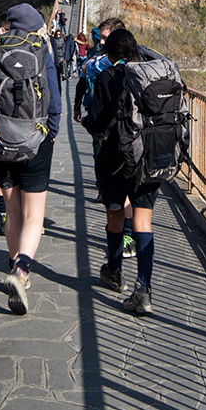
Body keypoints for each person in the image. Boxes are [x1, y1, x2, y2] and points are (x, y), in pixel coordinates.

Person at [0, 2, 61, 314]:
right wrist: (51, 132)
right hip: (36, 141)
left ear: (9, 26)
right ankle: (22, 271)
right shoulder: (42, 53)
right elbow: (54, 99)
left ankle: (14, 265)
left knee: (12, 210)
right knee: (34, 214)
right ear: (36, 27)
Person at [80, 25, 162, 315]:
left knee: (115, 216)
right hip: (150, 160)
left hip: (116, 160)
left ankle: (114, 272)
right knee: (143, 222)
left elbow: (99, 123)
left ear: (107, 52)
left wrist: (86, 122)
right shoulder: (152, 73)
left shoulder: (107, 76)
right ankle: (144, 289)